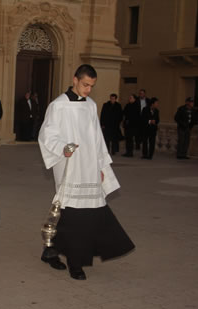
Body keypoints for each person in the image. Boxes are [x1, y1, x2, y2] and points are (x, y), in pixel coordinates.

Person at [38, 64, 135, 280]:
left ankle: (51, 249)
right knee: (73, 214)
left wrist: (101, 166)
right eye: (85, 85)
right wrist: (63, 148)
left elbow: (97, 139)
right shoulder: (58, 106)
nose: (88, 90)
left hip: (89, 166)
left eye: (91, 86)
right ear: (75, 80)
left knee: (88, 213)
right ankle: (76, 263)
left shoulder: (91, 105)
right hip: (71, 166)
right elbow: (47, 135)